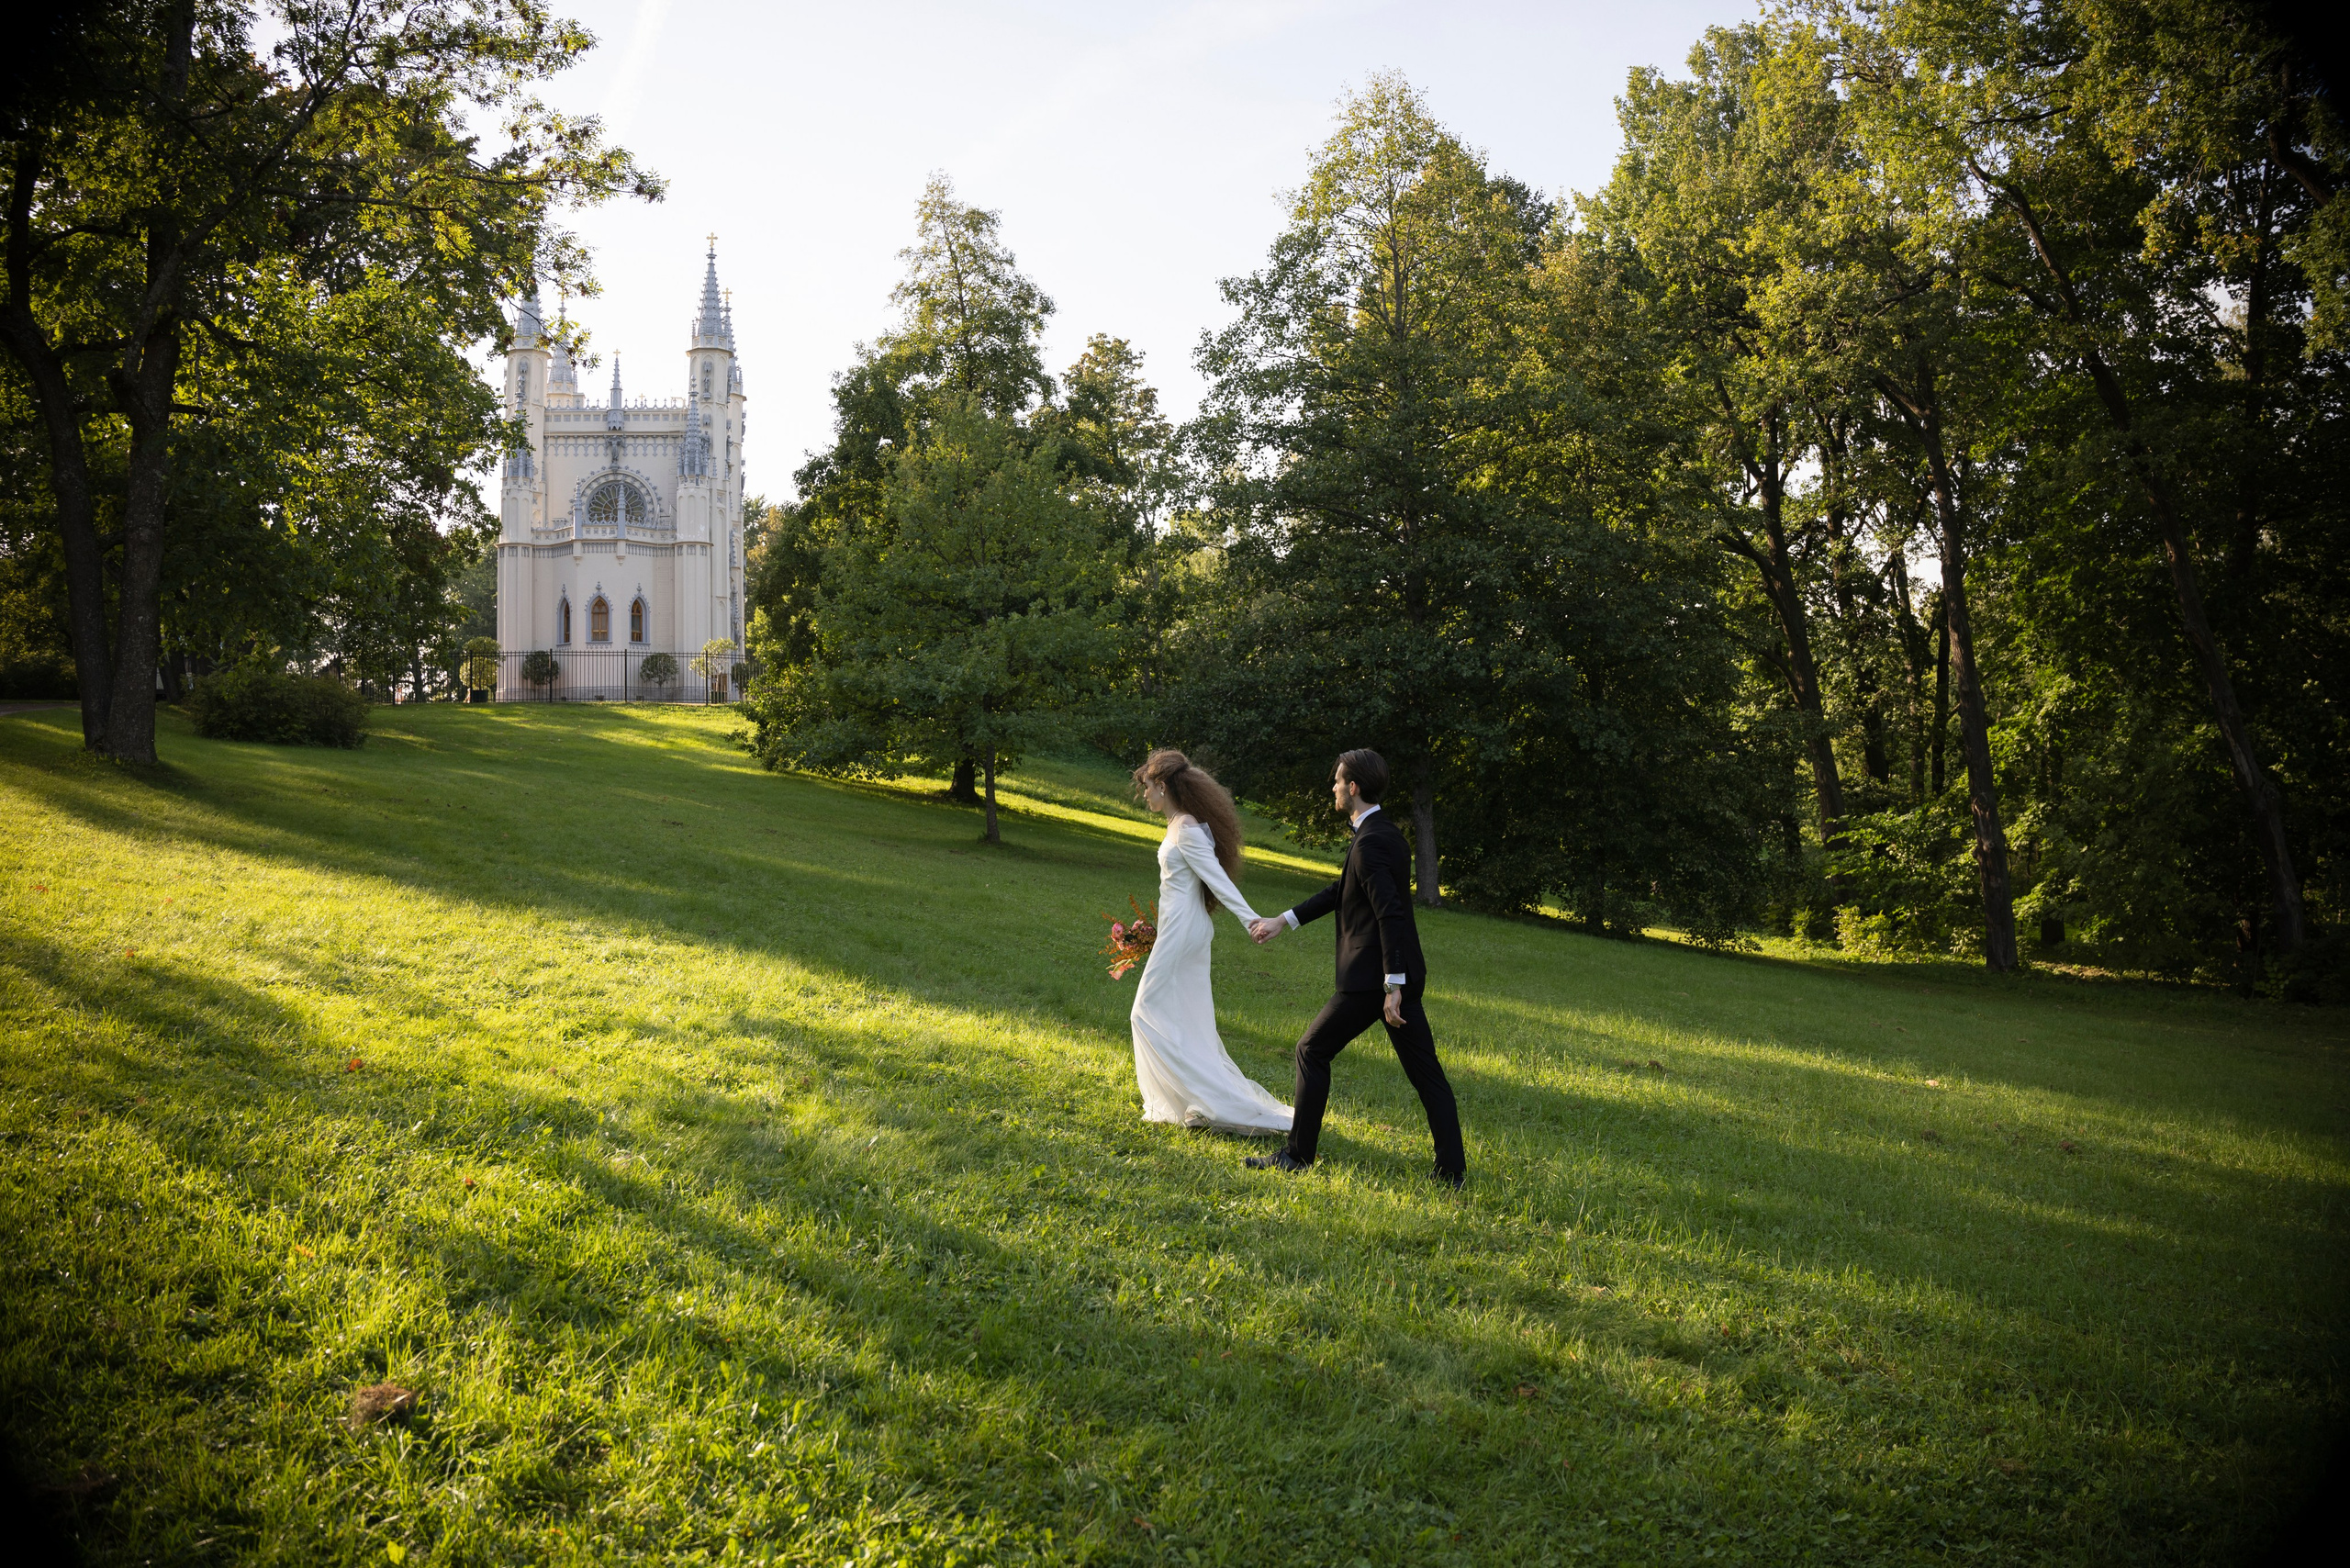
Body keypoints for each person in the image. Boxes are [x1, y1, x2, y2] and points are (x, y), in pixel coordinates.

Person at [1245, 748, 1466, 1188]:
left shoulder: (1372, 841)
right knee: (1427, 1074)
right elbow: (1340, 891)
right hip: (1385, 978)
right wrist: (1283, 921)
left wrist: (1393, 985)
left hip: (1373, 981)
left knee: (1311, 1049)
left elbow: (1390, 914)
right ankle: (1452, 1172)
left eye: (1337, 780)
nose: (1332, 787)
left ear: (1354, 788)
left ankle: (1297, 1156)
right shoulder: (1382, 833)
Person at [1125, 749, 1293, 1136]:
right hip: (1179, 926)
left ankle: (1204, 1098)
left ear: (1163, 786)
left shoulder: (1184, 827)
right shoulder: (1178, 824)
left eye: (1148, 788)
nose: (1146, 796)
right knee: (1185, 1015)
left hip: (1184, 929)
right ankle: (1195, 1105)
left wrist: (1252, 921)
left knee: (1144, 1012)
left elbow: (1217, 879)